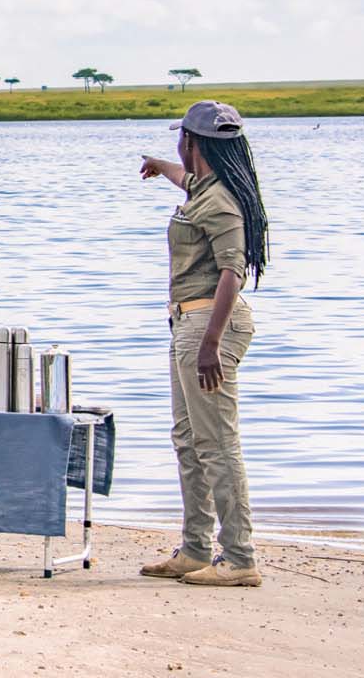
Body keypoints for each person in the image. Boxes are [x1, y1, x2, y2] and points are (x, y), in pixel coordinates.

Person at [137, 100, 271, 588]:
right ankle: (194, 549)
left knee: (216, 443)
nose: (178, 147)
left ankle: (239, 557)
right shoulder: (207, 187)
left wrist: (211, 343)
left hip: (208, 326)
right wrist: (160, 166)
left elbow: (233, 271)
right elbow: (186, 180)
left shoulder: (222, 202)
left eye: (180, 140)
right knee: (189, 440)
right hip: (188, 323)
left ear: (192, 142)